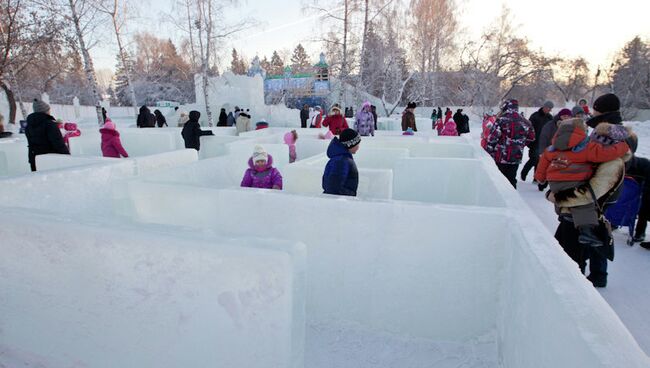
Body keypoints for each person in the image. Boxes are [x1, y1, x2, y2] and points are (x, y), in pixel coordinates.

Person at [535, 119, 629, 246]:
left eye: (597, 138)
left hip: (572, 210)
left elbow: (589, 194)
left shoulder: (553, 148)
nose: (592, 140)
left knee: (574, 256)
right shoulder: (587, 150)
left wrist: (552, 190)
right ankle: (586, 232)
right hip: (573, 215)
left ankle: (586, 233)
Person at [485, 99, 535, 188]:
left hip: (500, 155)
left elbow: (493, 138)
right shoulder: (525, 121)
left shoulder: (502, 119)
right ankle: (512, 198)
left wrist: (488, 152)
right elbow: (531, 138)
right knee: (511, 179)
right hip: (516, 156)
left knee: (499, 179)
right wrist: (519, 144)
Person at [25, 99, 69, 171]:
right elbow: (58, 143)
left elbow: (31, 145)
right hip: (52, 159)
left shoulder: (29, 126)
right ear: (45, 111)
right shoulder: (50, 124)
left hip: (35, 160)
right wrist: (67, 157)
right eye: (48, 110)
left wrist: (31, 160)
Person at [521, 101, 554, 182]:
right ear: (543, 107)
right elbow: (528, 128)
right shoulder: (535, 116)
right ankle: (524, 172)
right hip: (534, 142)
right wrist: (529, 140)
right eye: (547, 108)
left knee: (540, 161)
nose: (548, 110)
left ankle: (536, 178)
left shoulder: (550, 118)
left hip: (545, 143)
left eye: (550, 108)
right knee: (534, 159)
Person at [322, 128, 360, 196]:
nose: (358, 147)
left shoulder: (342, 158)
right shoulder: (341, 161)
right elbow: (334, 189)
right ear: (350, 144)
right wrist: (350, 195)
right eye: (357, 144)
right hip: (340, 203)